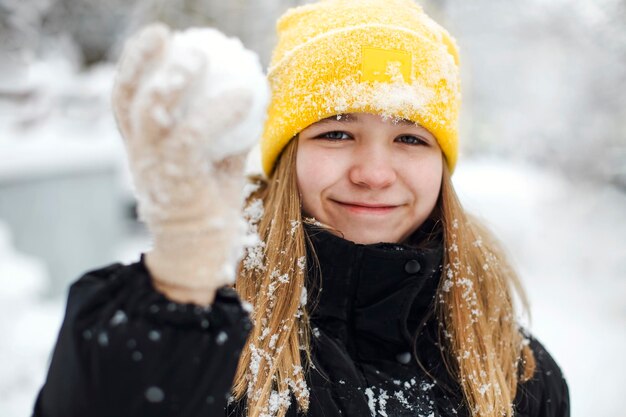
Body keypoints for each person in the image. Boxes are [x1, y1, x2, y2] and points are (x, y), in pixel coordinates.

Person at [33, 0, 570, 416]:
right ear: (286, 155)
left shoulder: (514, 372)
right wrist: (176, 291)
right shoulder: (204, 329)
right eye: (336, 133)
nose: (373, 172)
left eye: (411, 139)